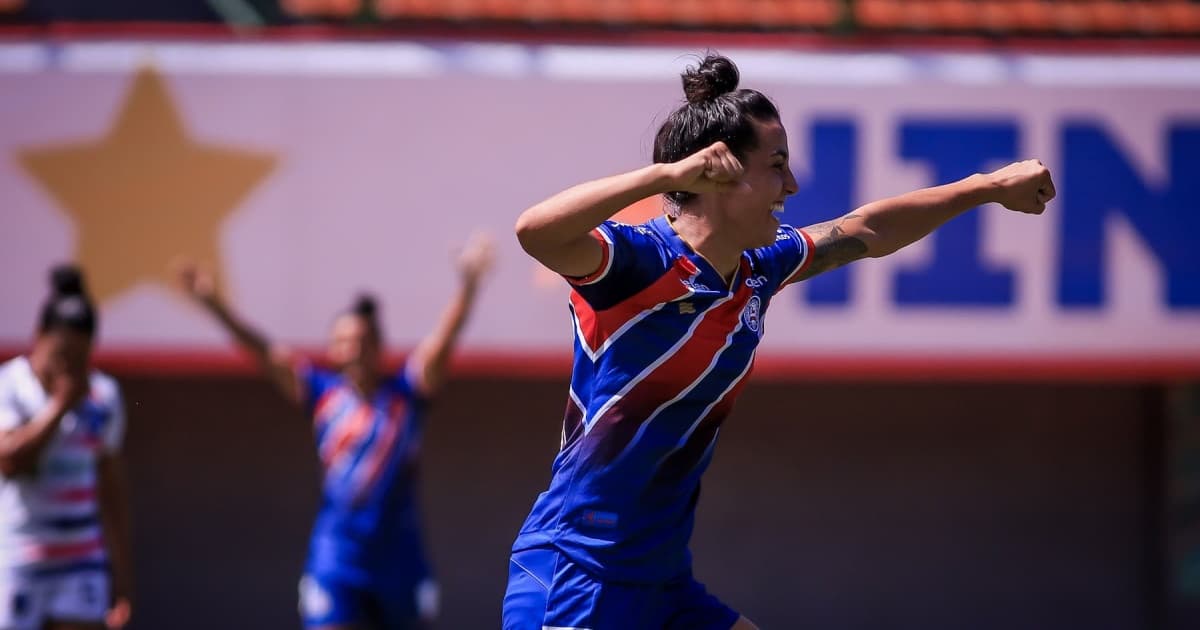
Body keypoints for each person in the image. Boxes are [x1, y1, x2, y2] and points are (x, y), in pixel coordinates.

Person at [504, 54, 1055, 629]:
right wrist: (666, 176)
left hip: (661, 581)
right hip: (577, 576)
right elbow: (534, 231)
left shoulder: (758, 271)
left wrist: (986, 187)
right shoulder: (635, 263)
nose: (791, 185)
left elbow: (867, 229)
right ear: (716, 173)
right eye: (777, 165)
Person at [176, 234, 494, 630]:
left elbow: (441, 344)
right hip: (336, 558)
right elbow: (262, 351)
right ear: (332, 349)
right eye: (342, 342)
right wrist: (213, 303)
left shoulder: (407, 393)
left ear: (379, 345)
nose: (352, 350)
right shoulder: (321, 393)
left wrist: (468, 286)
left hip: (401, 562)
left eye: (361, 341)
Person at [0, 266, 134, 630]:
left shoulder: (104, 397)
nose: (69, 367)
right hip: (19, 558)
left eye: (80, 357)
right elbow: (11, 462)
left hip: (82, 560)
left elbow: (111, 485)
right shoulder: (11, 387)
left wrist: (121, 573)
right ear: (39, 336)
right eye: (61, 353)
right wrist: (59, 406)